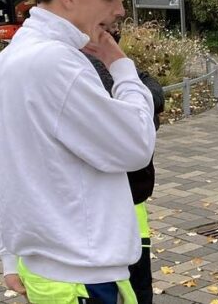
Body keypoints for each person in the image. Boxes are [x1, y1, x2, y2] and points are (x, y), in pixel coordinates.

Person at [0, 0, 156, 304]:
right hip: (79, 275)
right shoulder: (57, 65)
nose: (119, 10)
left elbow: (5, 168)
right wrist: (120, 65)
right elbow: (135, 145)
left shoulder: (13, 58)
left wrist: (11, 256)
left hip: (52, 269)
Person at [84, 24, 166, 304]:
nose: (116, 26)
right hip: (104, 218)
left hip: (133, 207)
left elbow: (154, 90)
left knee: (138, 288)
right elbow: (137, 125)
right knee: (126, 288)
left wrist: (126, 74)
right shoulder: (79, 71)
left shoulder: (115, 66)